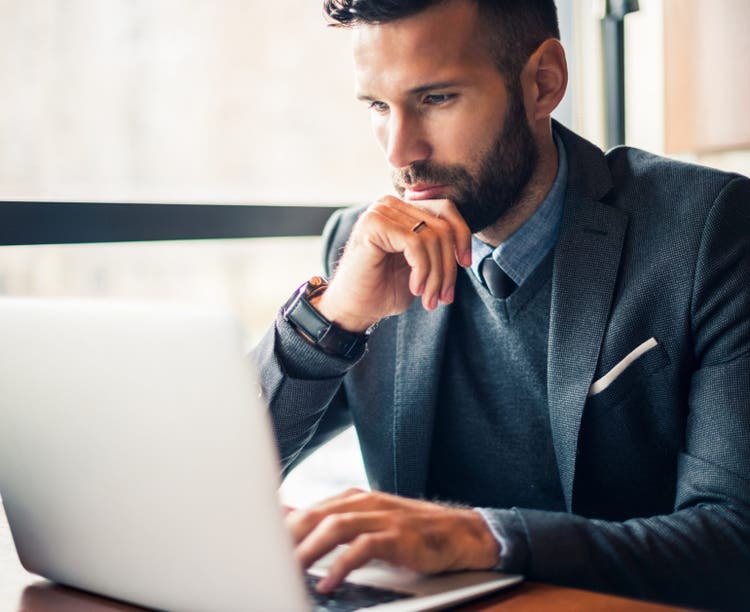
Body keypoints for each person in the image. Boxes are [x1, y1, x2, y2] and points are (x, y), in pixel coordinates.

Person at [253, 0, 750, 608]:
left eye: (436, 99)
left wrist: (484, 536)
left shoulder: (712, 230)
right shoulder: (362, 245)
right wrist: (331, 322)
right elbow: (218, 470)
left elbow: (735, 541)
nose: (399, 154)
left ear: (544, 83)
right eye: (379, 107)